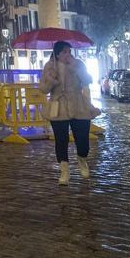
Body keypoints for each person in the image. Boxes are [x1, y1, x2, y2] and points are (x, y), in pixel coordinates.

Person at [40, 41, 98, 185]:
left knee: (82, 137)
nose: (68, 55)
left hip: (78, 104)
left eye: (69, 52)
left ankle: (82, 160)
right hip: (58, 106)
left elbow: (87, 80)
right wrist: (51, 80)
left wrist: (76, 68)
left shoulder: (78, 64)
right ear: (57, 54)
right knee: (61, 140)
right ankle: (64, 170)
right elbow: (43, 89)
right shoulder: (50, 66)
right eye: (64, 52)